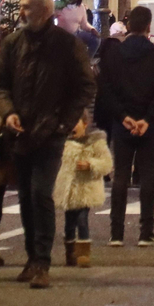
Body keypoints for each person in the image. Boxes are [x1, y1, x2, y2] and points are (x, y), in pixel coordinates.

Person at [0, 0, 97, 288]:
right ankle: (31, 257)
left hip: (51, 132)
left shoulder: (66, 45)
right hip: (19, 132)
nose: (21, 13)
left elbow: (85, 86)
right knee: (25, 196)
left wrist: (65, 120)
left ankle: (42, 261)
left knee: (40, 193)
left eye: (26, 7)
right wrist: (7, 111)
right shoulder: (13, 44)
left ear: (44, 11)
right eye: (22, 8)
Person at [96, 5, 154, 248]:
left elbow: (105, 89)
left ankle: (116, 233)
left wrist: (122, 117)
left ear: (128, 25)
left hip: (123, 123)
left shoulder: (114, 55)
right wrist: (147, 119)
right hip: (149, 124)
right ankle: (146, 231)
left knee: (120, 174)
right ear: (149, 26)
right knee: (148, 175)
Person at [54, 115, 112, 268]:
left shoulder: (95, 143)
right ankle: (70, 252)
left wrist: (91, 164)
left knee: (82, 219)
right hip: (68, 190)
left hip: (85, 189)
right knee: (69, 223)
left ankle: (83, 254)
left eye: (75, 123)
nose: (72, 126)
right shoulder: (63, 142)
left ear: (85, 124)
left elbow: (107, 163)